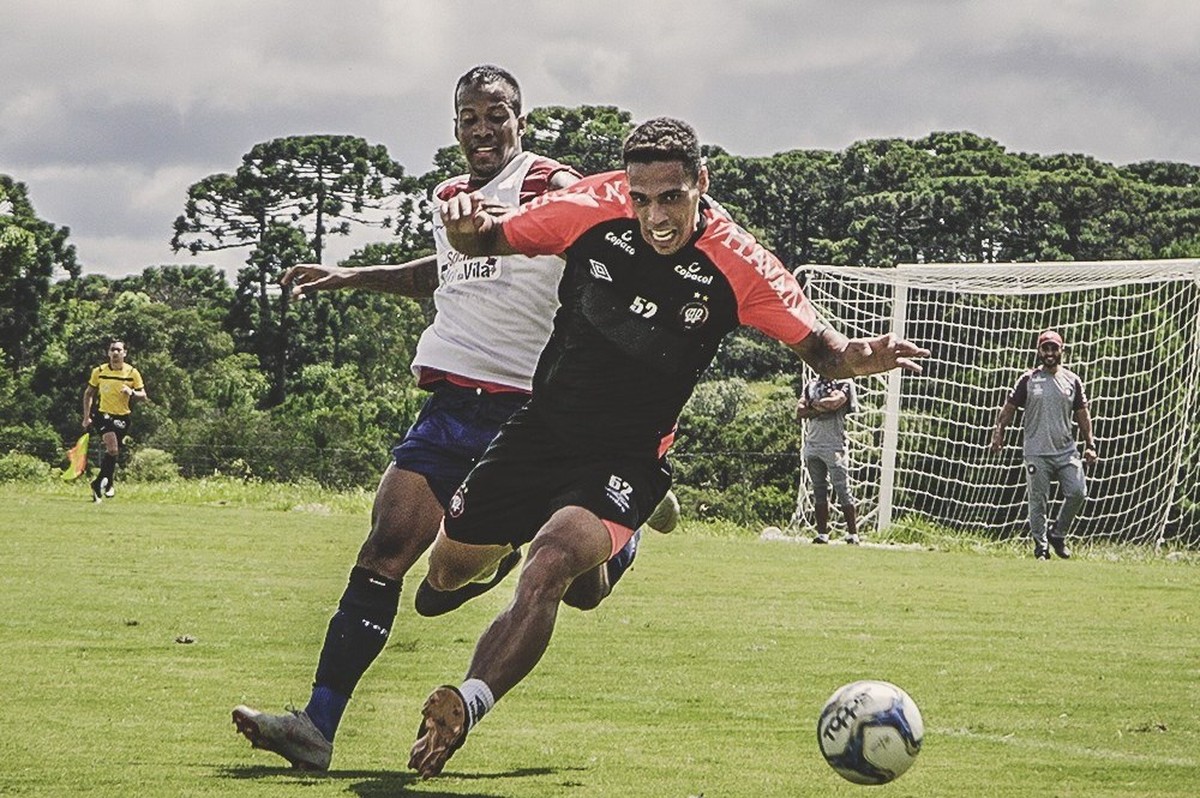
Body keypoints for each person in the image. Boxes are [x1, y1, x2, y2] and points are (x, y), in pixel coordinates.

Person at [408, 117, 929, 779]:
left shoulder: (738, 262)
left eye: (672, 198)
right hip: (540, 432)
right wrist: (462, 225)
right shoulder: (588, 207)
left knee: (548, 568)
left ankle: (470, 701)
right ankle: (594, 548)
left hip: (626, 454)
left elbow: (820, 348)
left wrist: (855, 355)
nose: (655, 216)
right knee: (445, 577)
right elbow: (487, 237)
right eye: (642, 198)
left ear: (700, 183)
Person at [230, 65, 676, 772]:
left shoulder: (549, 184)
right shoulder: (450, 199)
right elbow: (437, 272)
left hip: (535, 414)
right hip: (451, 408)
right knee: (387, 553)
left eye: (496, 115)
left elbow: (613, 245)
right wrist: (350, 276)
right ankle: (316, 726)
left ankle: (624, 519)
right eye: (469, 118)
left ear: (520, 120)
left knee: (580, 589)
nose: (482, 130)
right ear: (456, 126)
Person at [991, 329, 1097, 560]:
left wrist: (1090, 444)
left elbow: (1082, 414)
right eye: (1045, 348)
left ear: (1062, 351)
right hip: (1036, 451)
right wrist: (999, 432)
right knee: (1038, 500)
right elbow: (1009, 408)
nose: (1050, 353)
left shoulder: (1072, 380)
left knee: (1078, 492)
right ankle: (1041, 546)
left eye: (1054, 348)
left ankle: (1058, 533)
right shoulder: (1028, 380)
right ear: (1039, 351)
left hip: (1066, 451)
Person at [796, 375, 859, 544]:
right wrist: (819, 406)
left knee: (842, 489)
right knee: (818, 490)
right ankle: (822, 534)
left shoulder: (844, 383)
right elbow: (799, 411)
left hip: (834, 446)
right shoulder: (811, 385)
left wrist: (812, 404)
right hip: (813, 445)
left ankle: (852, 534)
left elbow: (835, 403)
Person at [81, 340, 146, 502]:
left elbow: (143, 395)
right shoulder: (99, 371)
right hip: (103, 414)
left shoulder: (132, 372)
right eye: (112, 350)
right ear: (108, 353)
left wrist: (131, 392)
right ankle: (106, 483)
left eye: (118, 350)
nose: (115, 353)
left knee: (113, 452)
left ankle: (100, 482)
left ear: (125, 353)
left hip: (123, 417)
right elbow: (89, 393)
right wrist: (87, 416)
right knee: (112, 448)